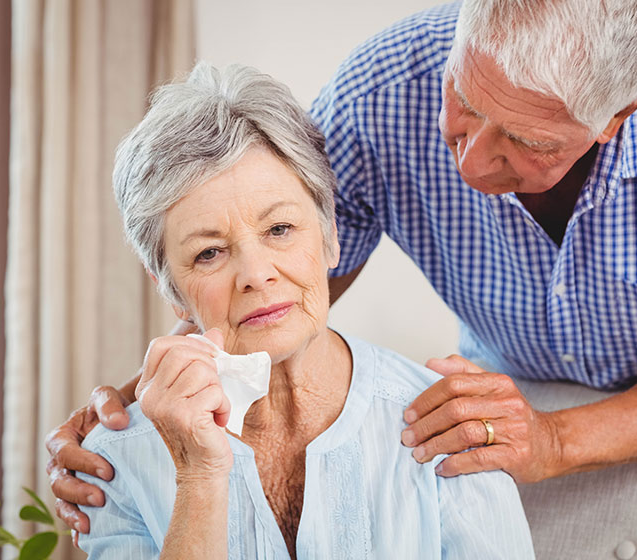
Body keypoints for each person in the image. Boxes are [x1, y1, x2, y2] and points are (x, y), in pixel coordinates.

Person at [47, 0, 637, 542]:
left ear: (618, 117)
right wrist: (136, 407)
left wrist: (557, 438)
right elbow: (269, 277)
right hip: (497, 390)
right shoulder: (379, 95)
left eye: (526, 140)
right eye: (464, 102)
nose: (471, 163)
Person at [75, 61, 534, 558]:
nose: (256, 273)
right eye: (209, 252)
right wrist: (199, 477)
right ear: (171, 291)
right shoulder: (115, 461)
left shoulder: (452, 427)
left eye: (279, 230)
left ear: (331, 235)